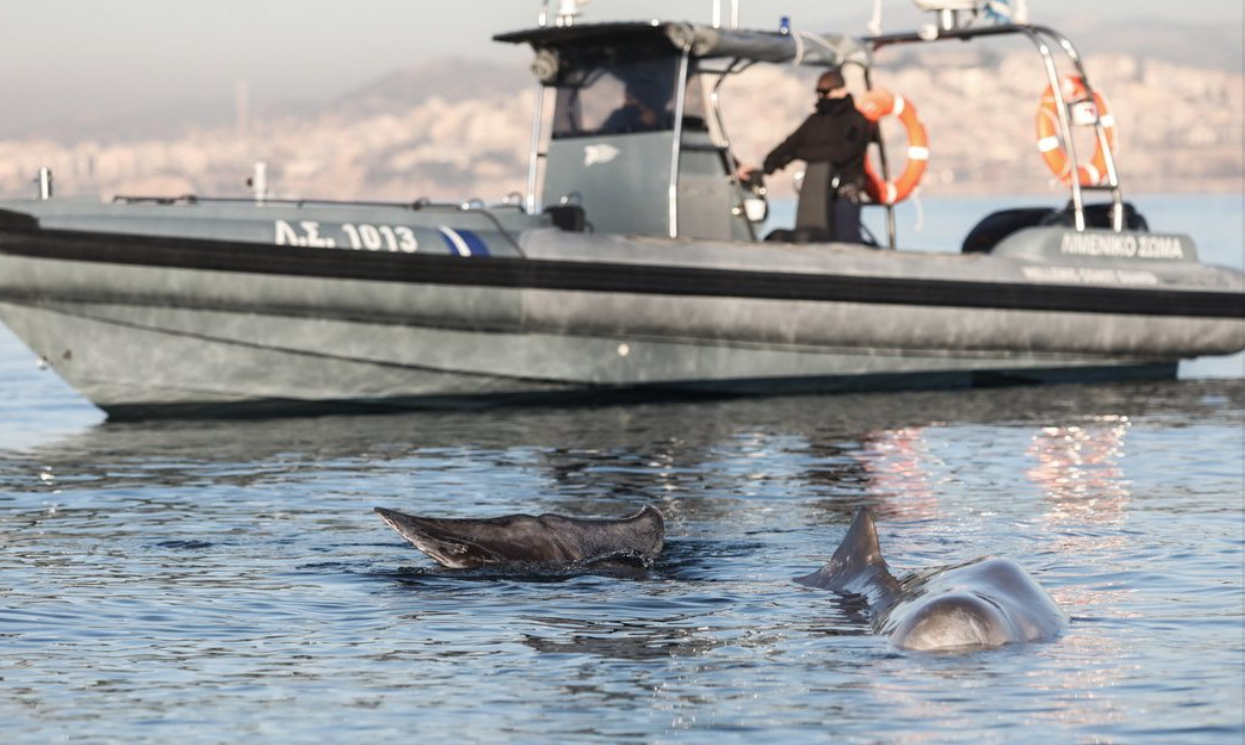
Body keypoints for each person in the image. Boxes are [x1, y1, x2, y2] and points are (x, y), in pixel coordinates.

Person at [739, 69, 872, 244]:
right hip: (815, 194)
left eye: (825, 92)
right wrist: (764, 168)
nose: (821, 97)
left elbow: (842, 153)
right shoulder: (815, 121)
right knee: (809, 236)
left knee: (846, 242)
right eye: (818, 92)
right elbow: (790, 145)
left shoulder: (856, 121)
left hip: (844, 195)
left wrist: (803, 153)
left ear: (841, 90)